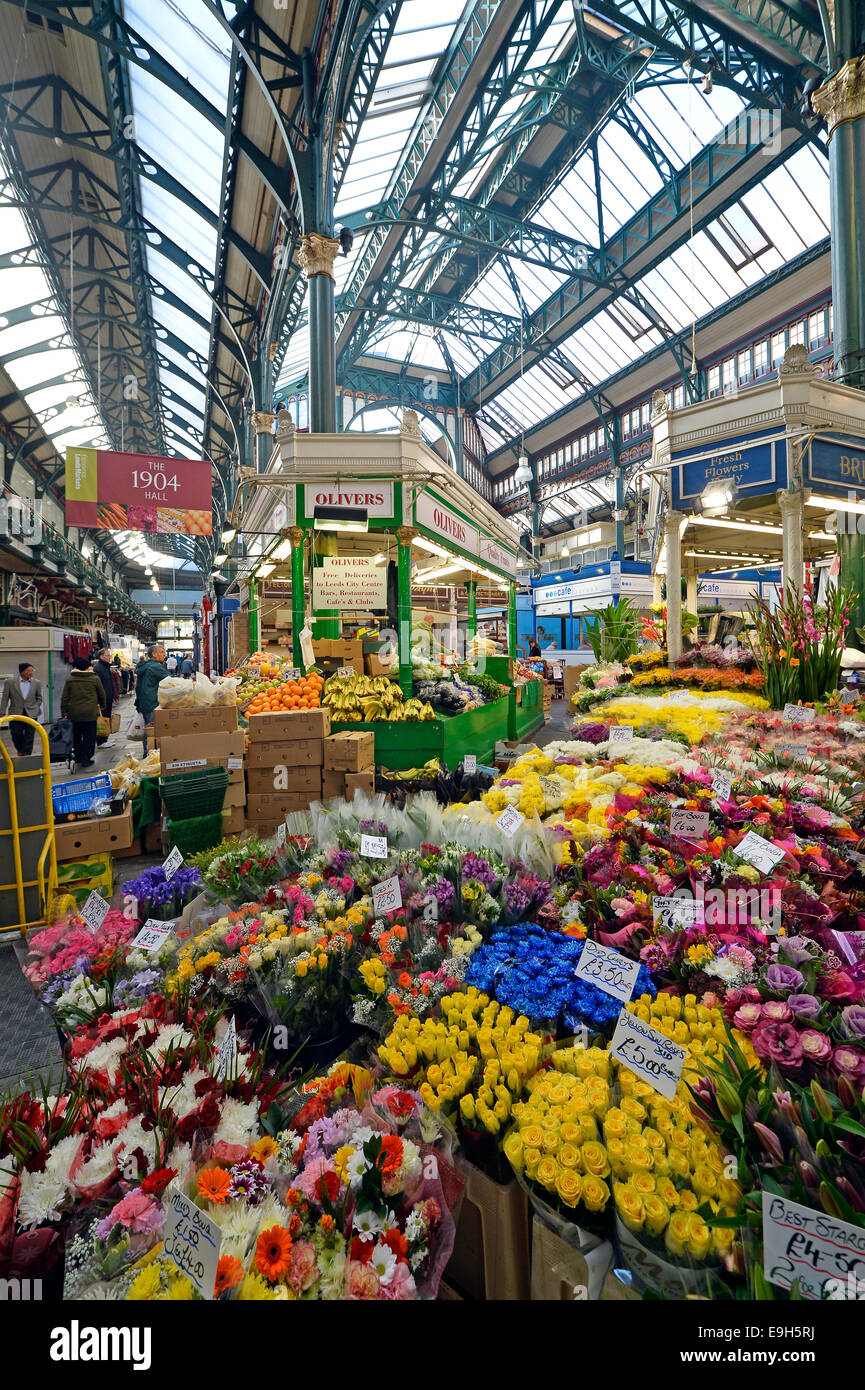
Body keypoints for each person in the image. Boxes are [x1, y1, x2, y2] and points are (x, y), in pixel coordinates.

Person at [60, 657, 106, 769]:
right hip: (90, 712)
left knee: (76, 736)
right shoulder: (94, 678)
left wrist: (64, 711)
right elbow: (101, 693)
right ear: (86, 667)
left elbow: (65, 697)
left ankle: (79, 756)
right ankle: (87, 758)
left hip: (74, 713)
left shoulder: (70, 679)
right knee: (89, 736)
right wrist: (102, 705)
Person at [0, 663, 44, 756]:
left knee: (29, 735)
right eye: (28, 671)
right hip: (16, 712)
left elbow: (39, 697)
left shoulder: (37, 683)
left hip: (31, 712)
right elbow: (5, 698)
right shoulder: (10, 683)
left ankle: (26, 755)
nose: (31, 673)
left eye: (32, 670)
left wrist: (36, 707)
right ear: (22, 672)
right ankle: (20, 750)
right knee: (16, 733)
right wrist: (2, 711)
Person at [135, 645, 170, 753]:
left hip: (143, 702)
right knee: (152, 731)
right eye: (161, 652)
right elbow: (170, 680)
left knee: (148, 730)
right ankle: (151, 754)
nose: (164, 654)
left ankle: (147, 752)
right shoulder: (155, 666)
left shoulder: (145, 665)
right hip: (152, 702)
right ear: (154, 654)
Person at [92, 648, 115, 747]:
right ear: (101, 656)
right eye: (107, 655)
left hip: (107, 698)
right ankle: (101, 741)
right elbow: (97, 686)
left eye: (109, 655)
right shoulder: (98, 668)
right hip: (102, 700)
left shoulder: (105, 667)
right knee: (102, 719)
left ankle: (105, 739)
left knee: (106, 719)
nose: (109, 657)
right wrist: (99, 700)